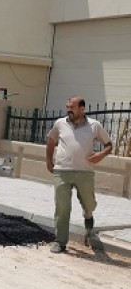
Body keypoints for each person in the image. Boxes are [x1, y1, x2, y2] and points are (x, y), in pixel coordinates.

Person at [45, 95, 112, 253]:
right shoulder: (60, 123)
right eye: (67, 107)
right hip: (62, 171)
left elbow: (109, 145)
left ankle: (88, 214)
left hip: (85, 172)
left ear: (82, 109)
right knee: (62, 207)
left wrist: (101, 155)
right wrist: (48, 160)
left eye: (72, 107)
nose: (68, 110)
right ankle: (60, 241)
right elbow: (51, 140)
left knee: (89, 203)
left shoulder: (94, 126)